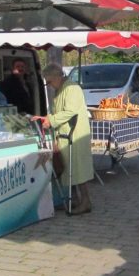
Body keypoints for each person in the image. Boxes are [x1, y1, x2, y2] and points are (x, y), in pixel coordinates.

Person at [33, 64, 93, 215]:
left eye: (50, 81)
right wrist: (48, 119)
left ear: (57, 77)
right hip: (65, 134)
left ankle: (85, 202)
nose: (49, 85)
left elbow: (70, 111)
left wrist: (51, 120)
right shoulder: (61, 88)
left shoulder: (71, 88)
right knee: (70, 169)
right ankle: (74, 200)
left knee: (78, 170)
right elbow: (56, 112)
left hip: (75, 134)